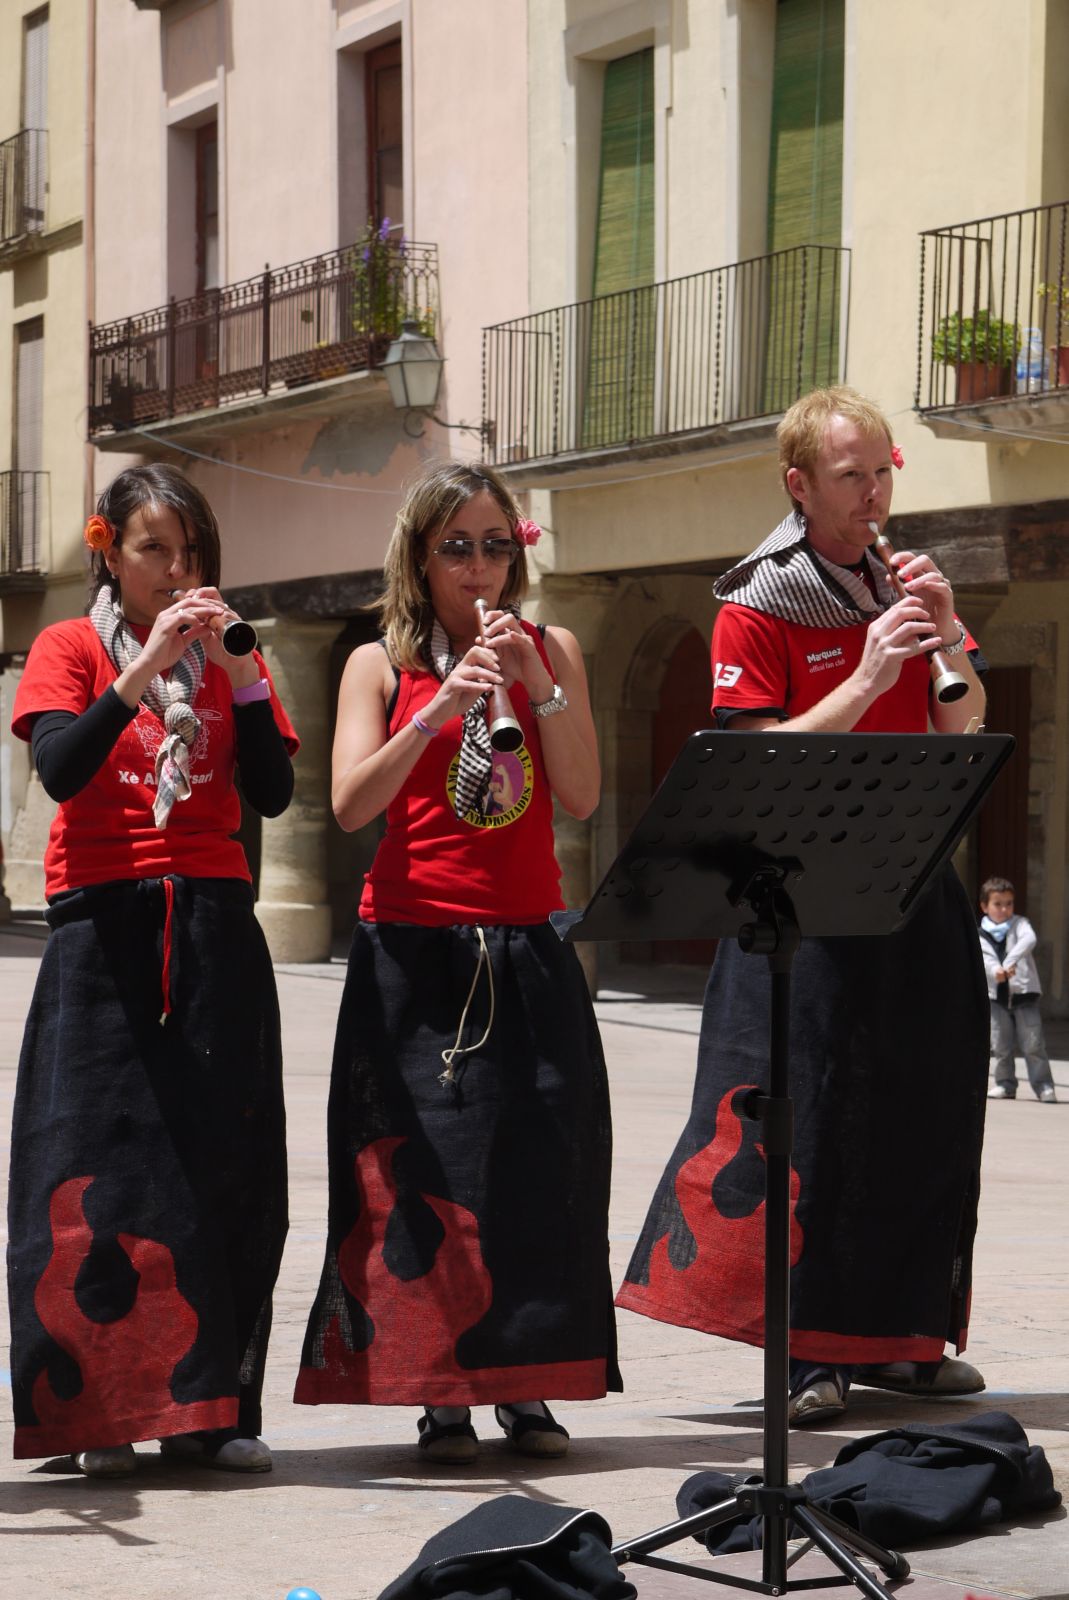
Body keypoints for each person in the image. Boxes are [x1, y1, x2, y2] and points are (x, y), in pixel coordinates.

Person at [617, 386, 991, 1427]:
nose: (873, 495)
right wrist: (868, 674)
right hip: (803, 897)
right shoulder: (757, 601)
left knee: (925, 1113)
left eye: (881, 473)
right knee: (811, 1127)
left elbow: (964, 723)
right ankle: (804, 1353)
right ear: (798, 485)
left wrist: (946, 639)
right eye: (849, 476)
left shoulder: (900, 583)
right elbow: (750, 758)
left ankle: (903, 1342)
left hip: (914, 877)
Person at [294, 460, 619, 1463]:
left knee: (539, 1172)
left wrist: (535, 686)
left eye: (495, 546)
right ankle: (439, 1393)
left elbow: (581, 797)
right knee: (422, 1177)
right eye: (457, 548)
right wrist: (439, 708)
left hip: (525, 943)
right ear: (421, 559)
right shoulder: (376, 663)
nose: (479, 567)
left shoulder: (552, 648)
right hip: (412, 948)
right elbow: (350, 803)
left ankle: (527, 1383)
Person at [7, 465, 298, 1478]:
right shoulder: (69, 645)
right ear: (111, 552)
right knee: (95, 1169)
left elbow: (272, 793)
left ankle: (209, 1408)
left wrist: (243, 677)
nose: (178, 570)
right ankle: (98, 1412)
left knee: (225, 1163)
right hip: (103, 924)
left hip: (212, 917)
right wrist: (142, 670)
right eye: (154, 549)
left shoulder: (231, 658)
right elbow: (60, 768)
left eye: (192, 551)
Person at [980, 876, 1056, 1103]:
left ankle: (1043, 1086)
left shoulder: (1020, 924)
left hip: (1024, 996)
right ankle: (1005, 1084)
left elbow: (1028, 941)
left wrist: (1008, 963)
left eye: (1009, 903)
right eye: (997, 904)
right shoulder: (980, 934)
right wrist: (997, 971)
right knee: (1000, 1045)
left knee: (1033, 1044)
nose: (1004, 909)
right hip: (996, 998)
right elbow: (984, 960)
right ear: (984, 906)